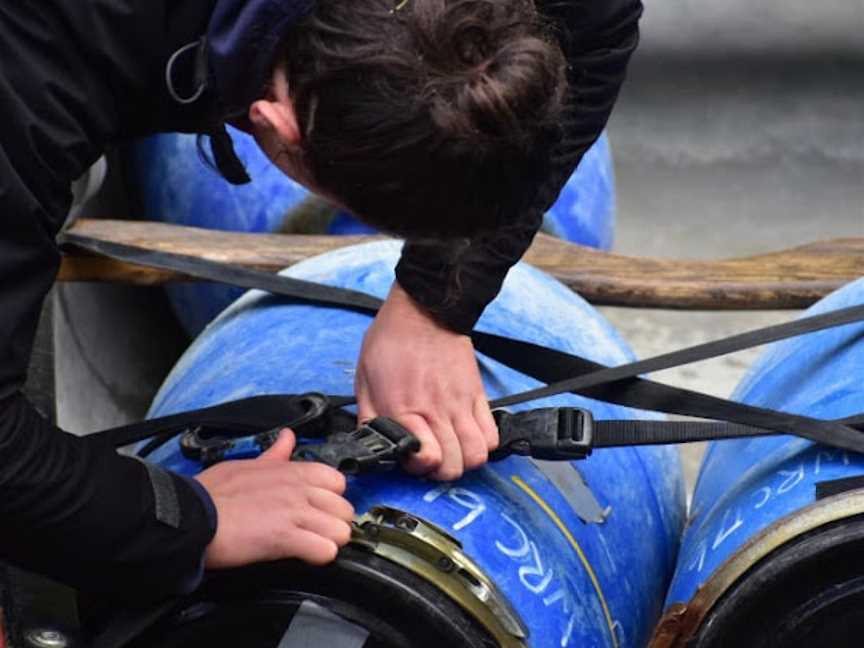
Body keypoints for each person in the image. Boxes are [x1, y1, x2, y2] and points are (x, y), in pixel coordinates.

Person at [0, 0, 640, 607]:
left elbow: (599, 24)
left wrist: (436, 298)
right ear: (274, 125)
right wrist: (188, 523)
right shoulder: (33, 83)